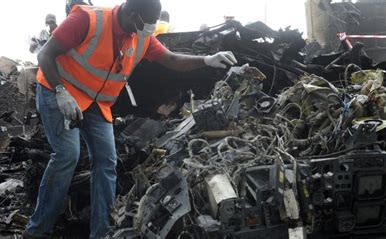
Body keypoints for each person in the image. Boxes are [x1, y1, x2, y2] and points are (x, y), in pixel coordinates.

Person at [23, 0, 237, 238]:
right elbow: (45, 54)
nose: (152, 27)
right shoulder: (87, 19)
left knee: (107, 162)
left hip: (96, 104)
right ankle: (37, 230)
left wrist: (207, 60)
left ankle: (101, 233)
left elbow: (171, 60)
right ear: (134, 15)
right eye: (149, 22)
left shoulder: (142, 37)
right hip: (58, 91)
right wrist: (61, 92)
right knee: (67, 155)